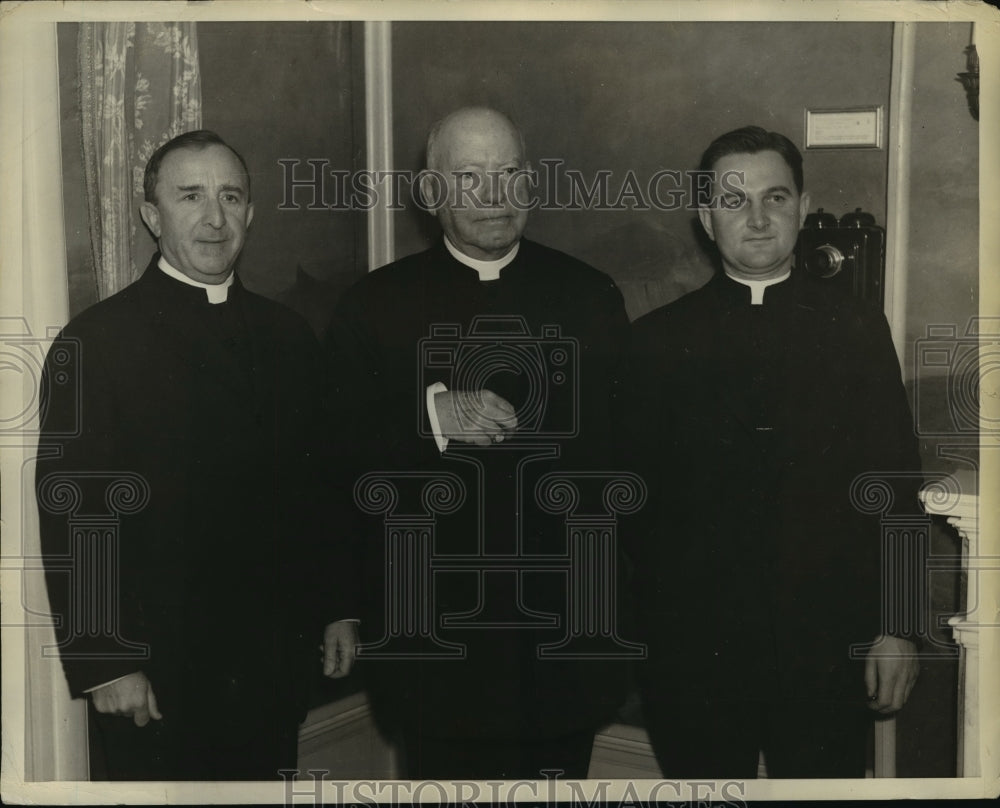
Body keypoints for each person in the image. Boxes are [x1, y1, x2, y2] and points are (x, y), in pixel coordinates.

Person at [324, 107, 636, 779]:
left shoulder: (590, 297)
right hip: (435, 647)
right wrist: (433, 415)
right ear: (431, 193)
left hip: (562, 643)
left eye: (508, 173)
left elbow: (627, 466)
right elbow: (332, 457)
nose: (494, 195)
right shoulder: (374, 306)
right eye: (469, 177)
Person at [36, 130, 358, 780]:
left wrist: (337, 607)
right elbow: (79, 511)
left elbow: (321, 488)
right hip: (158, 678)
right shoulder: (97, 342)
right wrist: (109, 661)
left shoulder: (289, 336)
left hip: (270, 668)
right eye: (191, 197)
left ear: (250, 213)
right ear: (152, 216)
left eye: (230, 196)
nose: (215, 218)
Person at [623, 126, 923, 778]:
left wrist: (898, 626)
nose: (757, 219)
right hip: (693, 661)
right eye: (735, 202)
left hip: (825, 652)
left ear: (802, 207)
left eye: (775, 198)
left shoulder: (855, 330)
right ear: (706, 219)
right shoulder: (655, 345)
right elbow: (627, 512)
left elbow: (896, 484)